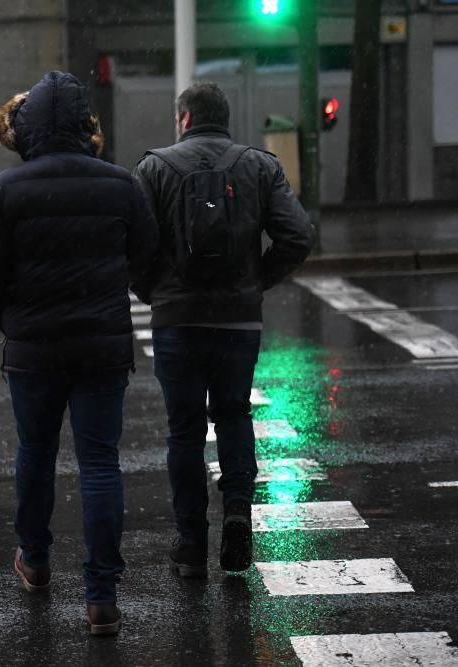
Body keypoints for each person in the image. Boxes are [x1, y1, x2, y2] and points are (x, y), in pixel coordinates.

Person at [0, 71, 158, 635]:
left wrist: (11, 319)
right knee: (99, 463)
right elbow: (148, 259)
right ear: (84, 126)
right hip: (101, 347)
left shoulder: (5, 190)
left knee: (36, 453)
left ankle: (36, 558)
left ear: (24, 130)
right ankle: (101, 596)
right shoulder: (121, 185)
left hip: (34, 351)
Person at [132, 82, 315, 578]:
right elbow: (298, 235)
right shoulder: (259, 166)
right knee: (233, 414)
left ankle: (191, 545)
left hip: (177, 319)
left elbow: (132, 244)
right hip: (238, 317)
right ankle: (237, 509)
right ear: (224, 117)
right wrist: (256, 280)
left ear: (185, 119)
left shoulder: (154, 168)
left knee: (184, 430)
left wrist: (155, 290)